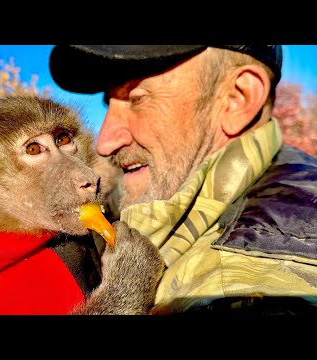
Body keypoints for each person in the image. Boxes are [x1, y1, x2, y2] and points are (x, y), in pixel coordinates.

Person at [49, 45, 317, 314]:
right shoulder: (146, 200)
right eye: (109, 102)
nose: (105, 142)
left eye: (138, 98)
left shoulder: (262, 293)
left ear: (237, 98)